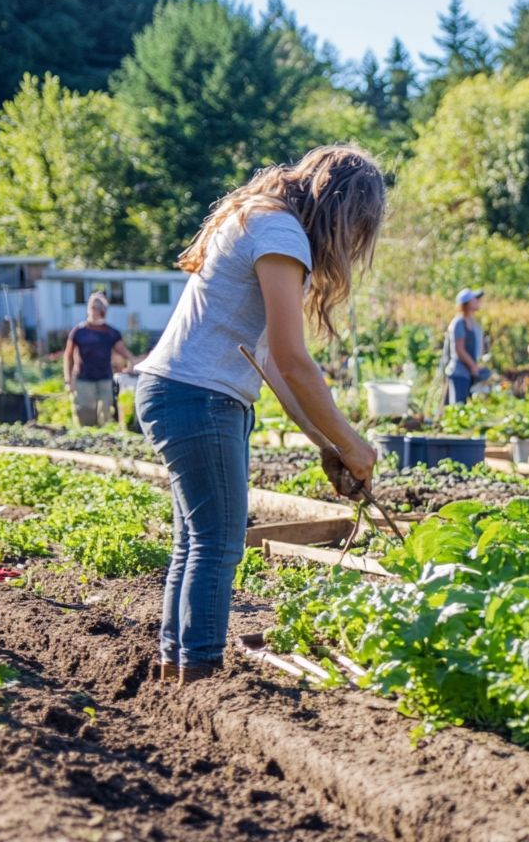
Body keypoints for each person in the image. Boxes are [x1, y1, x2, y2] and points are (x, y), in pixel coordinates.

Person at [135, 145, 385, 684]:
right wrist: (356, 444)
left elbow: (270, 360)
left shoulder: (259, 218)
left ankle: (175, 672)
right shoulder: (280, 234)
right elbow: (294, 360)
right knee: (218, 545)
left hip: (177, 391)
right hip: (199, 398)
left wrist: (328, 444)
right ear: (342, 208)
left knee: (195, 542)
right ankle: (200, 681)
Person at [64, 292, 137, 426]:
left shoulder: (110, 332)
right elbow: (68, 356)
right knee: (86, 416)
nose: (95, 311)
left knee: (106, 414)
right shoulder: (79, 332)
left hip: (104, 378)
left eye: (99, 308)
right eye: (93, 307)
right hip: (83, 379)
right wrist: (68, 380)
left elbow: (123, 351)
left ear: (104, 311)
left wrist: (131, 362)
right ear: (89, 309)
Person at [443, 288, 485, 405]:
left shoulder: (473, 322)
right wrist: (473, 366)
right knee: (458, 407)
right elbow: (459, 350)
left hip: (469, 372)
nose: (478, 301)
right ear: (467, 303)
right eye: (474, 299)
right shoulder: (458, 323)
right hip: (460, 372)